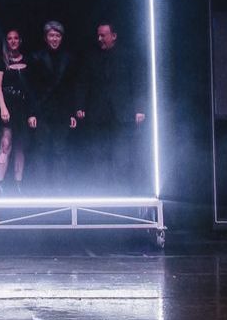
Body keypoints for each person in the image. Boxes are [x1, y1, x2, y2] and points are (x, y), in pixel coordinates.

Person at [82, 21, 148, 193]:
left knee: (122, 156)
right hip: (98, 114)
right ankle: (101, 193)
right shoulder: (91, 57)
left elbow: (138, 82)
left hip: (123, 113)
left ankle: (122, 193)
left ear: (114, 36)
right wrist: (80, 106)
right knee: (98, 155)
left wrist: (140, 108)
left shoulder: (128, 55)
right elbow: (83, 83)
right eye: (98, 35)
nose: (100, 39)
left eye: (103, 35)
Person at [28, 20, 79, 193]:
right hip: (42, 112)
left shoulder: (69, 58)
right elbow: (31, 88)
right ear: (45, 37)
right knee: (41, 151)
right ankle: (41, 193)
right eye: (51, 35)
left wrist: (73, 113)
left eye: (57, 36)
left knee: (60, 151)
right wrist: (32, 113)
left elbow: (72, 87)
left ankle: (60, 192)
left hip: (62, 112)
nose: (54, 39)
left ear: (62, 38)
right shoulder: (36, 57)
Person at [0, 29, 37, 195]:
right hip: (7, 106)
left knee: (20, 146)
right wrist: (3, 107)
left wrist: (32, 112)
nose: (13, 41)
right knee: (5, 143)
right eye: (9, 38)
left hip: (23, 107)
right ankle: (0, 184)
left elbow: (32, 88)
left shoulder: (28, 60)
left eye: (16, 38)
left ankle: (18, 184)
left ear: (20, 40)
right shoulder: (1, 61)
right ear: (6, 41)